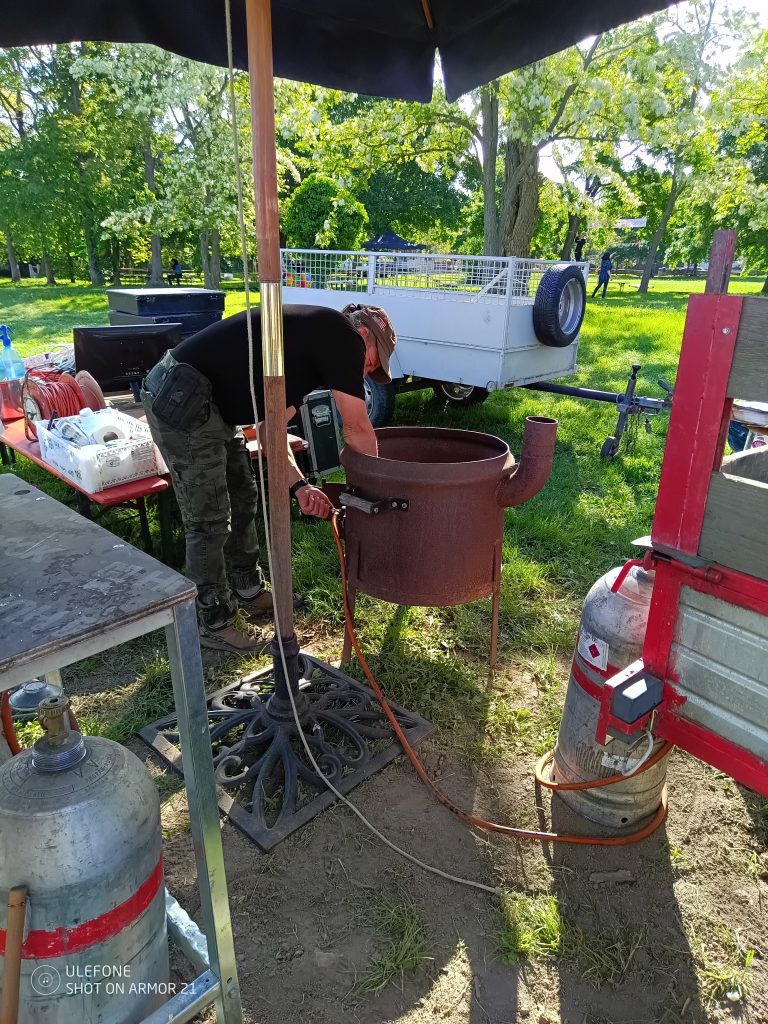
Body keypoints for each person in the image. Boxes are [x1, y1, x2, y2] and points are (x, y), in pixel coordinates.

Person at [142, 302, 396, 654]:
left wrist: (300, 486)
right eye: (372, 361)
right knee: (209, 516)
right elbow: (356, 428)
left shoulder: (312, 350)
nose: (367, 372)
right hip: (181, 397)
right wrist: (379, 488)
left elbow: (268, 430)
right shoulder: (343, 337)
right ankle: (214, 622)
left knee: (243, 495)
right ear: (364, 334)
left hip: (207, 404)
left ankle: (246, 589)